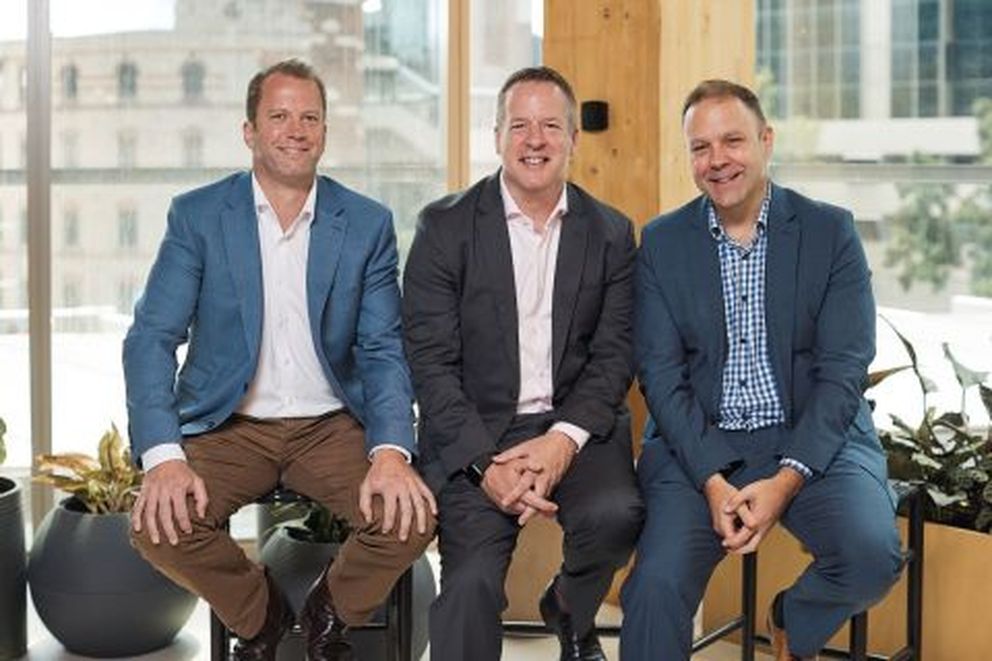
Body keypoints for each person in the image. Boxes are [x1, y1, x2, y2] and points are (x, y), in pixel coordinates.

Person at [123, 58, 436, 661]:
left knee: (410, 519)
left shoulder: (366, 223)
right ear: (250, 131)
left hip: (330, 426)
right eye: (279, 116)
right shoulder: (199, 217)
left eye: (310, 117)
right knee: (154, 525)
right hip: (229, 426)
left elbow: (381, 349)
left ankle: (326, 616)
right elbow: (150, 339)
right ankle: (261, 616)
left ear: (324, 130)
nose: (296, 129)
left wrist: (392, 451)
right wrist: (163, 457)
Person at [619, 79, 903, 661]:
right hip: (698, 446)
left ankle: (791, 619)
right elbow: (662, 378)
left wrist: (788, 478)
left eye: (733, 141)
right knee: (653, 589)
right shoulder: (662, 243)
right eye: (700, 147)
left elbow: (844, 371)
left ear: (766, 141)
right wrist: (712, 479)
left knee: (871, 557)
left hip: (812, 439)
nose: (717, 160)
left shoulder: (830, 233)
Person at [402, 65, 644, 661]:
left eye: (550, 126)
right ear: (497, 137)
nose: (534, 140)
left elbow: (616, 354)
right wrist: (487, 466)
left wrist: (562, 442)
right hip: (477, 434)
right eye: (519, 126)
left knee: (617, 515)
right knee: (469, 588)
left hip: (573, 425)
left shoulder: (612, 233)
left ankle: (567, 604)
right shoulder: (445, 227)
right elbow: (429, 363)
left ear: (572, 140)